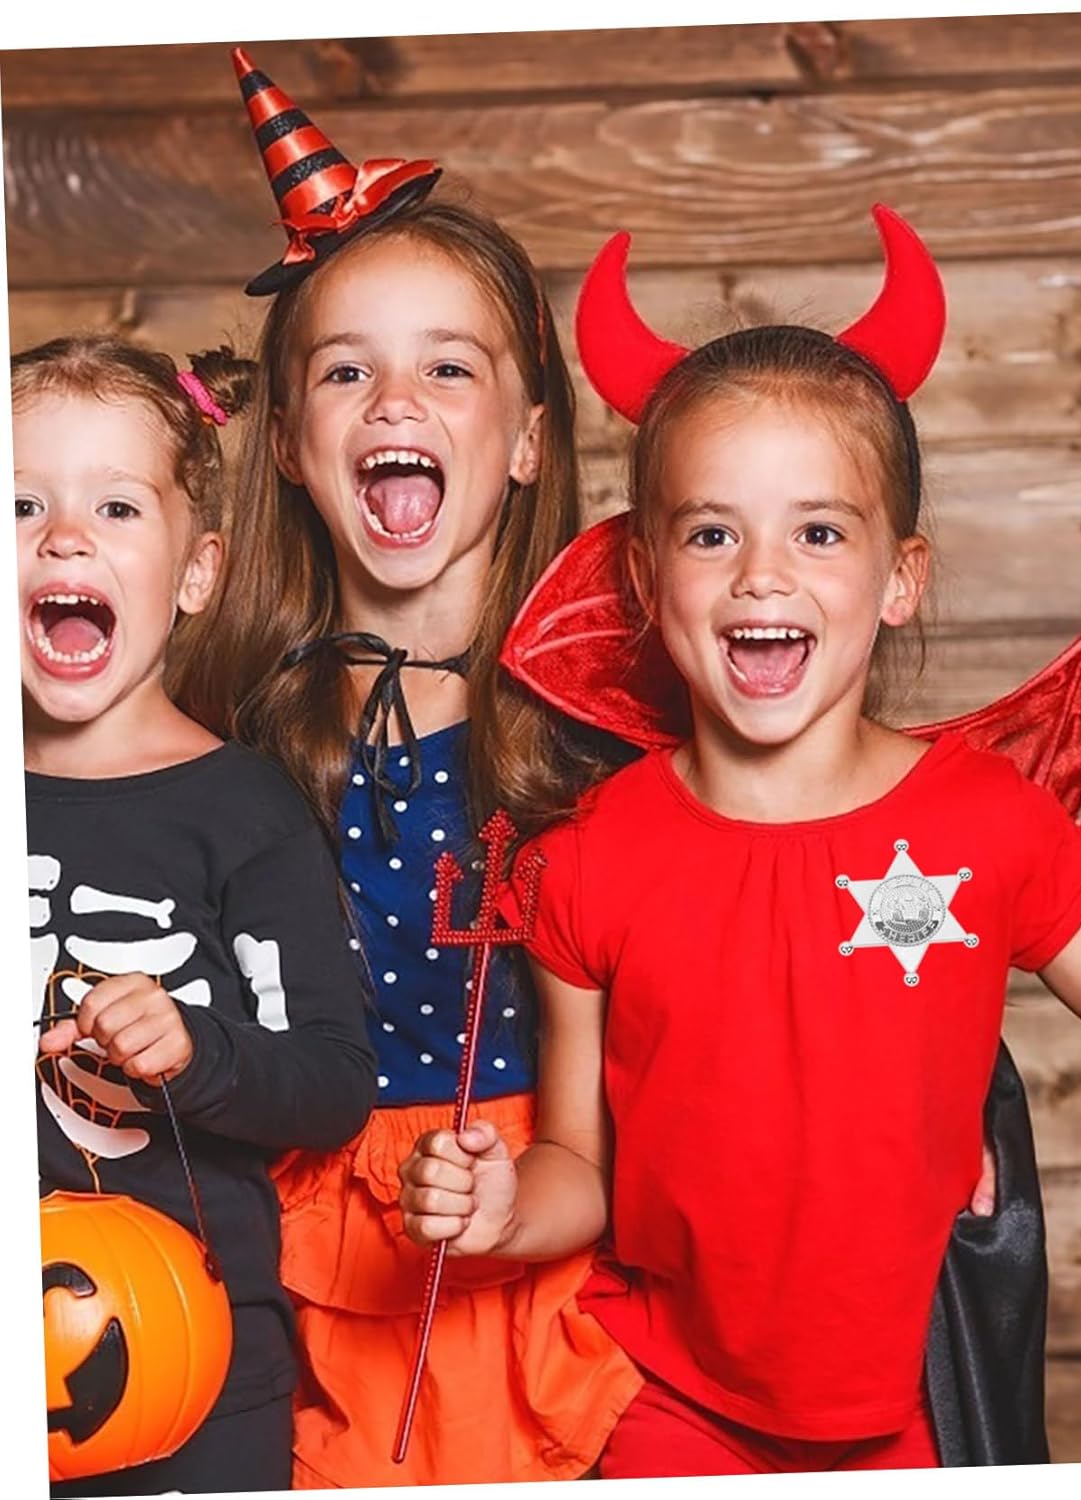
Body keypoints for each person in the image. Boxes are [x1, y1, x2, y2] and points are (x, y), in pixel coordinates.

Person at [397, 208, 1081, 1479]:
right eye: (713, 533)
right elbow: (583, 1167)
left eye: (819, 532)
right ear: (644, 580)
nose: (762, 576)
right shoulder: (589, 857)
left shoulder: (983, 822)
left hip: (918, 1415)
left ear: (901, 579)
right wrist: (508, 1208)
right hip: (666, 1407)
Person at [168, 48, 641, 1487]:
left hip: (552, 1227)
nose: (394, 400)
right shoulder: (222, 735)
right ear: (291, 446)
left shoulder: (614, 728)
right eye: (346, 369)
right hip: (294, 1246)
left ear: (527, 439)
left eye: (447, 366)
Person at [18, 333, 377, 1496]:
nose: (64, 537)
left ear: (196, 572)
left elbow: (332, 1083)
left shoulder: (246, 809)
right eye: (21, 504)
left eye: (116, 507)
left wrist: (198, 1050)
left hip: (193, 1359)